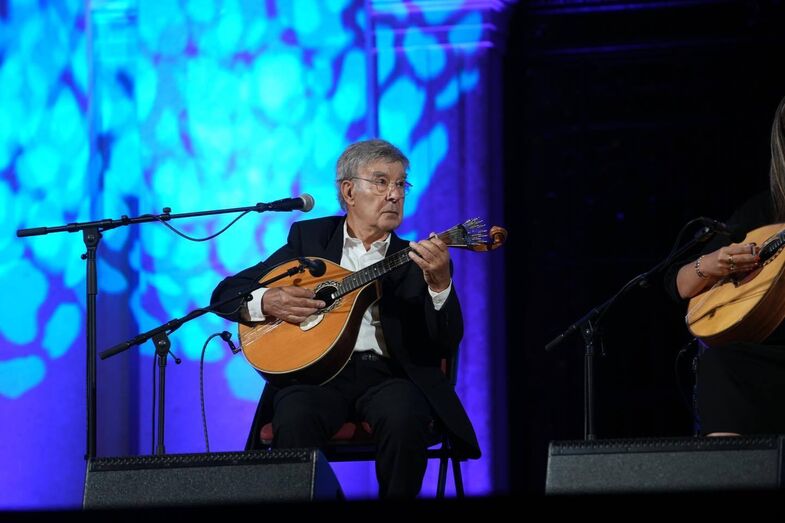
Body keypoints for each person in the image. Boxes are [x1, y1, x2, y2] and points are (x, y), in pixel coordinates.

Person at [210, 139, 480, 498]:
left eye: (401, 184)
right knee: (294, 415)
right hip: (316, 377)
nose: (394, 194)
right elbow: (226, 294)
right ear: (349, 191)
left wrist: (441, 284)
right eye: (381, 182)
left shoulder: (418, 259)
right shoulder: (310, 240)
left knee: (405, 416)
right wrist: (268, 300)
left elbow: (446, 340)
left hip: (388, 377)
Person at [666, 95, 785, 436]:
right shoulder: (765, 210)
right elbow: (679, 284)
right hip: (769, 359)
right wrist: (715, 264)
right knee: (721, 363)